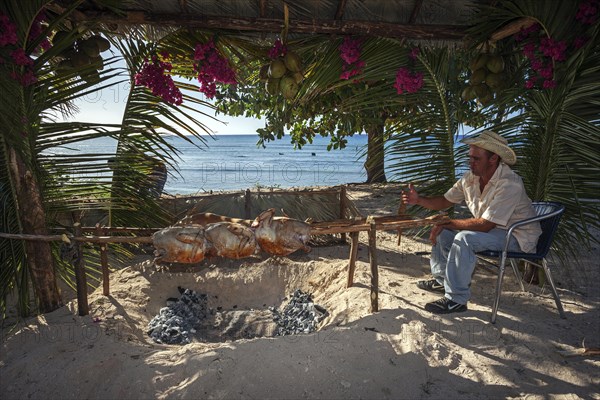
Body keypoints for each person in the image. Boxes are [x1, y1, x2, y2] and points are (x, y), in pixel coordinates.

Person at [402, 130, 541, 314]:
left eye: (476, 159)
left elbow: (485, 225)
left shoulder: (509, 183)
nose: (471, 163)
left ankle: (456, 300)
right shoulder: (470, 178)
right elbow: (445, 201)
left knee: (464, 238)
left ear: (493, 159)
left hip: (516, 236)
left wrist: (447, 222)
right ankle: (442, 281)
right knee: (445, 232)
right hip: (494, 230)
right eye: (470, 158)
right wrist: (418, 200)